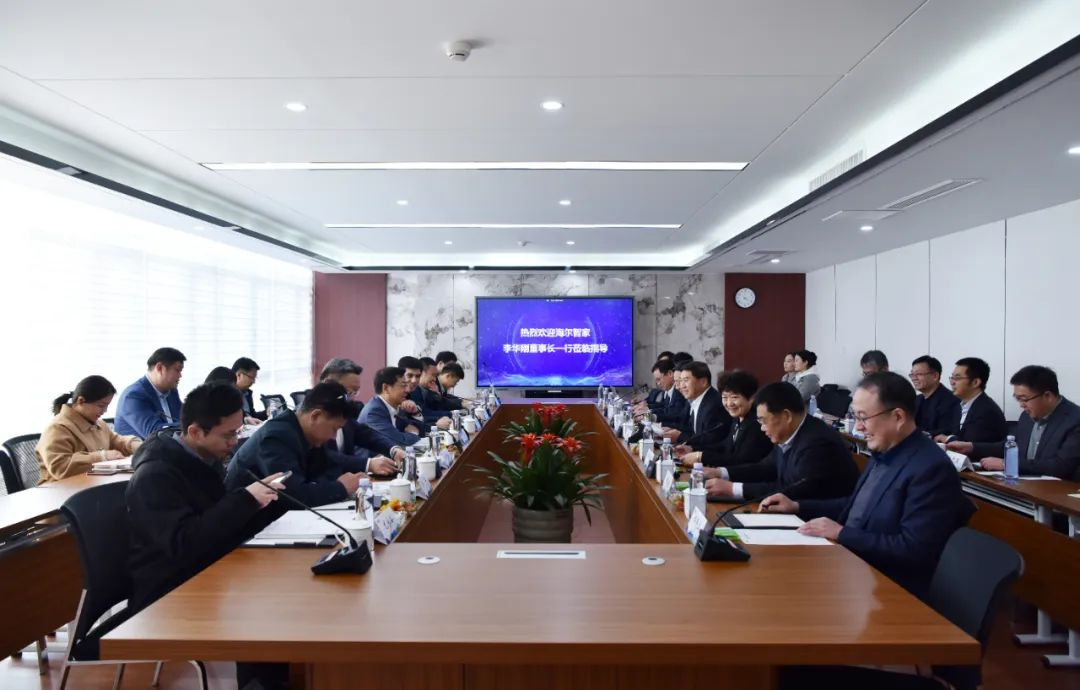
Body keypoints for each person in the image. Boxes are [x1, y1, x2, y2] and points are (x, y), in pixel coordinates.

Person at [760, 372, 975, 600]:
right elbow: (856, 508)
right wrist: (796, 506)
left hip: (887, 589)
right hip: (851, 565)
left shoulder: (930, 469)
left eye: (863, 418)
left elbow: (913, 549)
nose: (859, 428)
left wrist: (841, 533)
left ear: (898, 416)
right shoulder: (885, 450)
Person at [126, 383, 285, 613]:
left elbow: (217, 522)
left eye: (237, 432)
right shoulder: (155, 476)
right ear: (195, 432)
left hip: (210, 571)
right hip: (169, 595)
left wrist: (261, 504)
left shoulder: (205, 458)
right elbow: (185, 544)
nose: (235, 442)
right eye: (229, 434)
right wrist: (245, 500)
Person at [704, 381, 857, 502]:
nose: (762, 428)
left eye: (763, 421)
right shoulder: (791, 432)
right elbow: (766, 467)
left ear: (786, 416)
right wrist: (721, 472)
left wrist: (733, 489)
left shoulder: (818, 443)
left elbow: (791, 490)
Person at [225, 382, 366, 507]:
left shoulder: (309, 435)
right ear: (315, 416)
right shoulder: (277, 437)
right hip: (249, 522)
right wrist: (340, 488)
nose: (333, 437)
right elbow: (291, 495)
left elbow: (326, 472)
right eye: (334, 429)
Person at [965, 366, 1080, 480]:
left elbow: (1061, 466)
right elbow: (1011, 445)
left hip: (1058, 489)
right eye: (1017, 399)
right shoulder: (1027, 416)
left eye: (1024, 399)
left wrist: (1008, 464)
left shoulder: (1075, 419)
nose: (1021, 405)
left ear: (1047, 396)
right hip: (1023, 484)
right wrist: (971, 447)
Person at [36, 376, 142, 483]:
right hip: (61, 488)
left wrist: (135, 445)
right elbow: (60, 467)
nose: (105, 410)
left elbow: (116, 440)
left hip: (92, 483)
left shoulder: (99, 424)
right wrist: (102, 457)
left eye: (107, 406)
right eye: (101, 405)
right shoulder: (57, 428)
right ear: (81, 401)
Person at [319, 358, 404, 477]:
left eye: (355, 392)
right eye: (348, 392)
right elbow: (326, 456)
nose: (351, 399)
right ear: (327, 384)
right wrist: (368, 464)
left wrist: (393, 449)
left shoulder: (344, 411)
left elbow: (366, 435)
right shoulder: (312, 417)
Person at [677, 370, 772, 470]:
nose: (729, 403)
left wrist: (701, 457)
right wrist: (692, 448)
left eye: (734, 397)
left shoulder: (758, 424)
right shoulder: (738, 418)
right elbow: (725, 446)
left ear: (751, 398)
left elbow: (740, 460)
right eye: (725, 397)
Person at [114, 347, 186, 439]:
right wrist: (190, 426)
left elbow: (182, 420)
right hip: (140, 447)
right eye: (177, 370)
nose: (180, 375)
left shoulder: (171, 391)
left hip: (169, 445)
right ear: (160, 368)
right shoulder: (133, 396)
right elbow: (155, 433)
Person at [937, 357, 1007, 446]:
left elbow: (969, 444)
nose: (952, 382)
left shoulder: (986, 410)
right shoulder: (960, 406)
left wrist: (947, 439)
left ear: (975, 382)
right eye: (952, 377)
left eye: (957, 378)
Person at [666, 361, 731, 447]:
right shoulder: (697, 399)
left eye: (686, 380)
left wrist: (680, 436)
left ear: (703, 382)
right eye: (681, 381)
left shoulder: (714, 405)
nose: (682, 386)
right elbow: (693, 431)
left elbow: (710, 441)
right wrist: (672, 430)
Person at [359, 367, 422, 446]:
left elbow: (420, 428)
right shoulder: (374, 412)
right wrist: (414, 433)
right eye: (403, 386)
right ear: (385, 388)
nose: (407, 390)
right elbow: (399, 441)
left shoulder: (396, 407)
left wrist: (415, 413)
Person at [910, 355, 960, 437]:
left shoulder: (952, 400)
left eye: (918, 374)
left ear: (935, 376)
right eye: (912, 374)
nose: (914, 378)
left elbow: (948, 430)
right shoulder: (916, 399)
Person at [398, 356, 451, 429]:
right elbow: (405, 426)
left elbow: (420, 416)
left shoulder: (415, 390)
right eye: (409, 375)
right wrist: (435, 425)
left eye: (417, 376)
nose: (414, 380)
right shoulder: (396, 396)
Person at [231, 357, 264, 424]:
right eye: (251, 377)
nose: (253, 381)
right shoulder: (227, 395)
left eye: (255, 378)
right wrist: (245, 420)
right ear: (239, 375)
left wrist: (266, 413)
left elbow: (251, 416)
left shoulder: (247, 393)